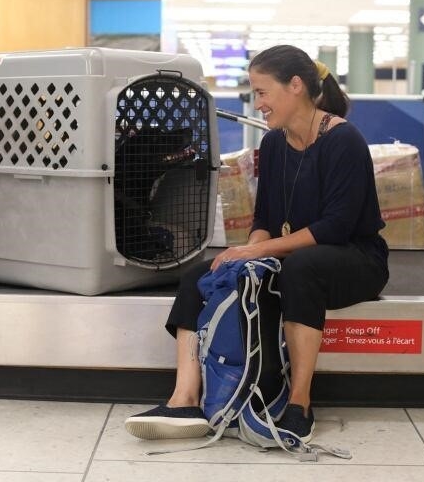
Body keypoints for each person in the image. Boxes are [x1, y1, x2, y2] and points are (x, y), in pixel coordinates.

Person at [125, 44, 389, 443]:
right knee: (203, 272)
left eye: (263, 92)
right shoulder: (274, 144)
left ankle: (299, 405)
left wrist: (258, 251)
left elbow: (336, 227)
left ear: (295, 86)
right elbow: (264, 219)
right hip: (292, 253)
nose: (258, 103)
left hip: (356, 258)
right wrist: (249, 252)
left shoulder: (344, 141)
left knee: (303, 268)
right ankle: (185, 399)